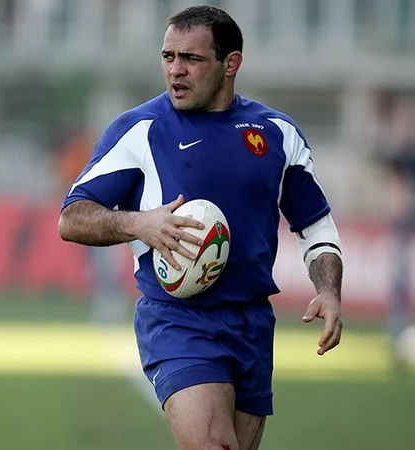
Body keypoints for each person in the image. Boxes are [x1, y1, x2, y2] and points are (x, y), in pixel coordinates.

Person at [58, 5, 343, 450]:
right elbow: (72, 217)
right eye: (168, 56)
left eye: (191, 58)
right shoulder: (141, 129)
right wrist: (140, 224)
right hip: (177, 320)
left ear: (231, 63)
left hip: (252, 322)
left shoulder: (277, 133)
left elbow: (316, 225)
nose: (176, 70)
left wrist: (329, 291)